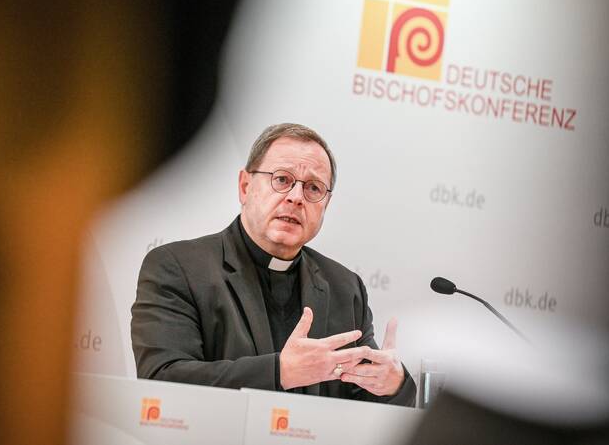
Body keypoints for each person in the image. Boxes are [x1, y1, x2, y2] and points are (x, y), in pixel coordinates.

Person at [131, 123, 416, 405]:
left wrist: (394, 384)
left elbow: (363, 401)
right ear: (245, 187)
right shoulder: (178, 267)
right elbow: (162, 379)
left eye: (313, 188)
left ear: (325, 205)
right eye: (282, 180)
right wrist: (280, 372)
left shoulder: (344, 287)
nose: (296, 197)